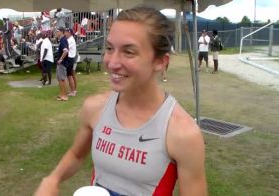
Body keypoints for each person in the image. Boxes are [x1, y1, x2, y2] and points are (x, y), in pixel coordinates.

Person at [35, 6, 207, 196]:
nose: (112, 62)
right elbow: (76, 155)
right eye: (109, 48)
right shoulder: (95, 108)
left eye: (129, 52)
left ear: (161, 62)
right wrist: (52, 179)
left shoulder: (182, 132)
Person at [55, 27, 69, 101]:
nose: (56, 33)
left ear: (61, 32)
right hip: (61, 63)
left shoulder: (63, 40)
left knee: (62, 79)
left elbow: (66, 51)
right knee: (60, 79)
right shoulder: (61, 40)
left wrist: (61, 59)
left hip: (62, 63)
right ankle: (61, 94)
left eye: (57, 31)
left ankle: (65, 95)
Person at [65, 28, 77, 96]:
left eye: (66, 32)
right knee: (70, 75)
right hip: (70, 58)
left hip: (70, 58)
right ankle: (73, 90)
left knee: (70, 76)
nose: (65, 33)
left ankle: (73, 91)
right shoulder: (70, 39)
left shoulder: (70, 40)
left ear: (69, 33)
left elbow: (66, 49)